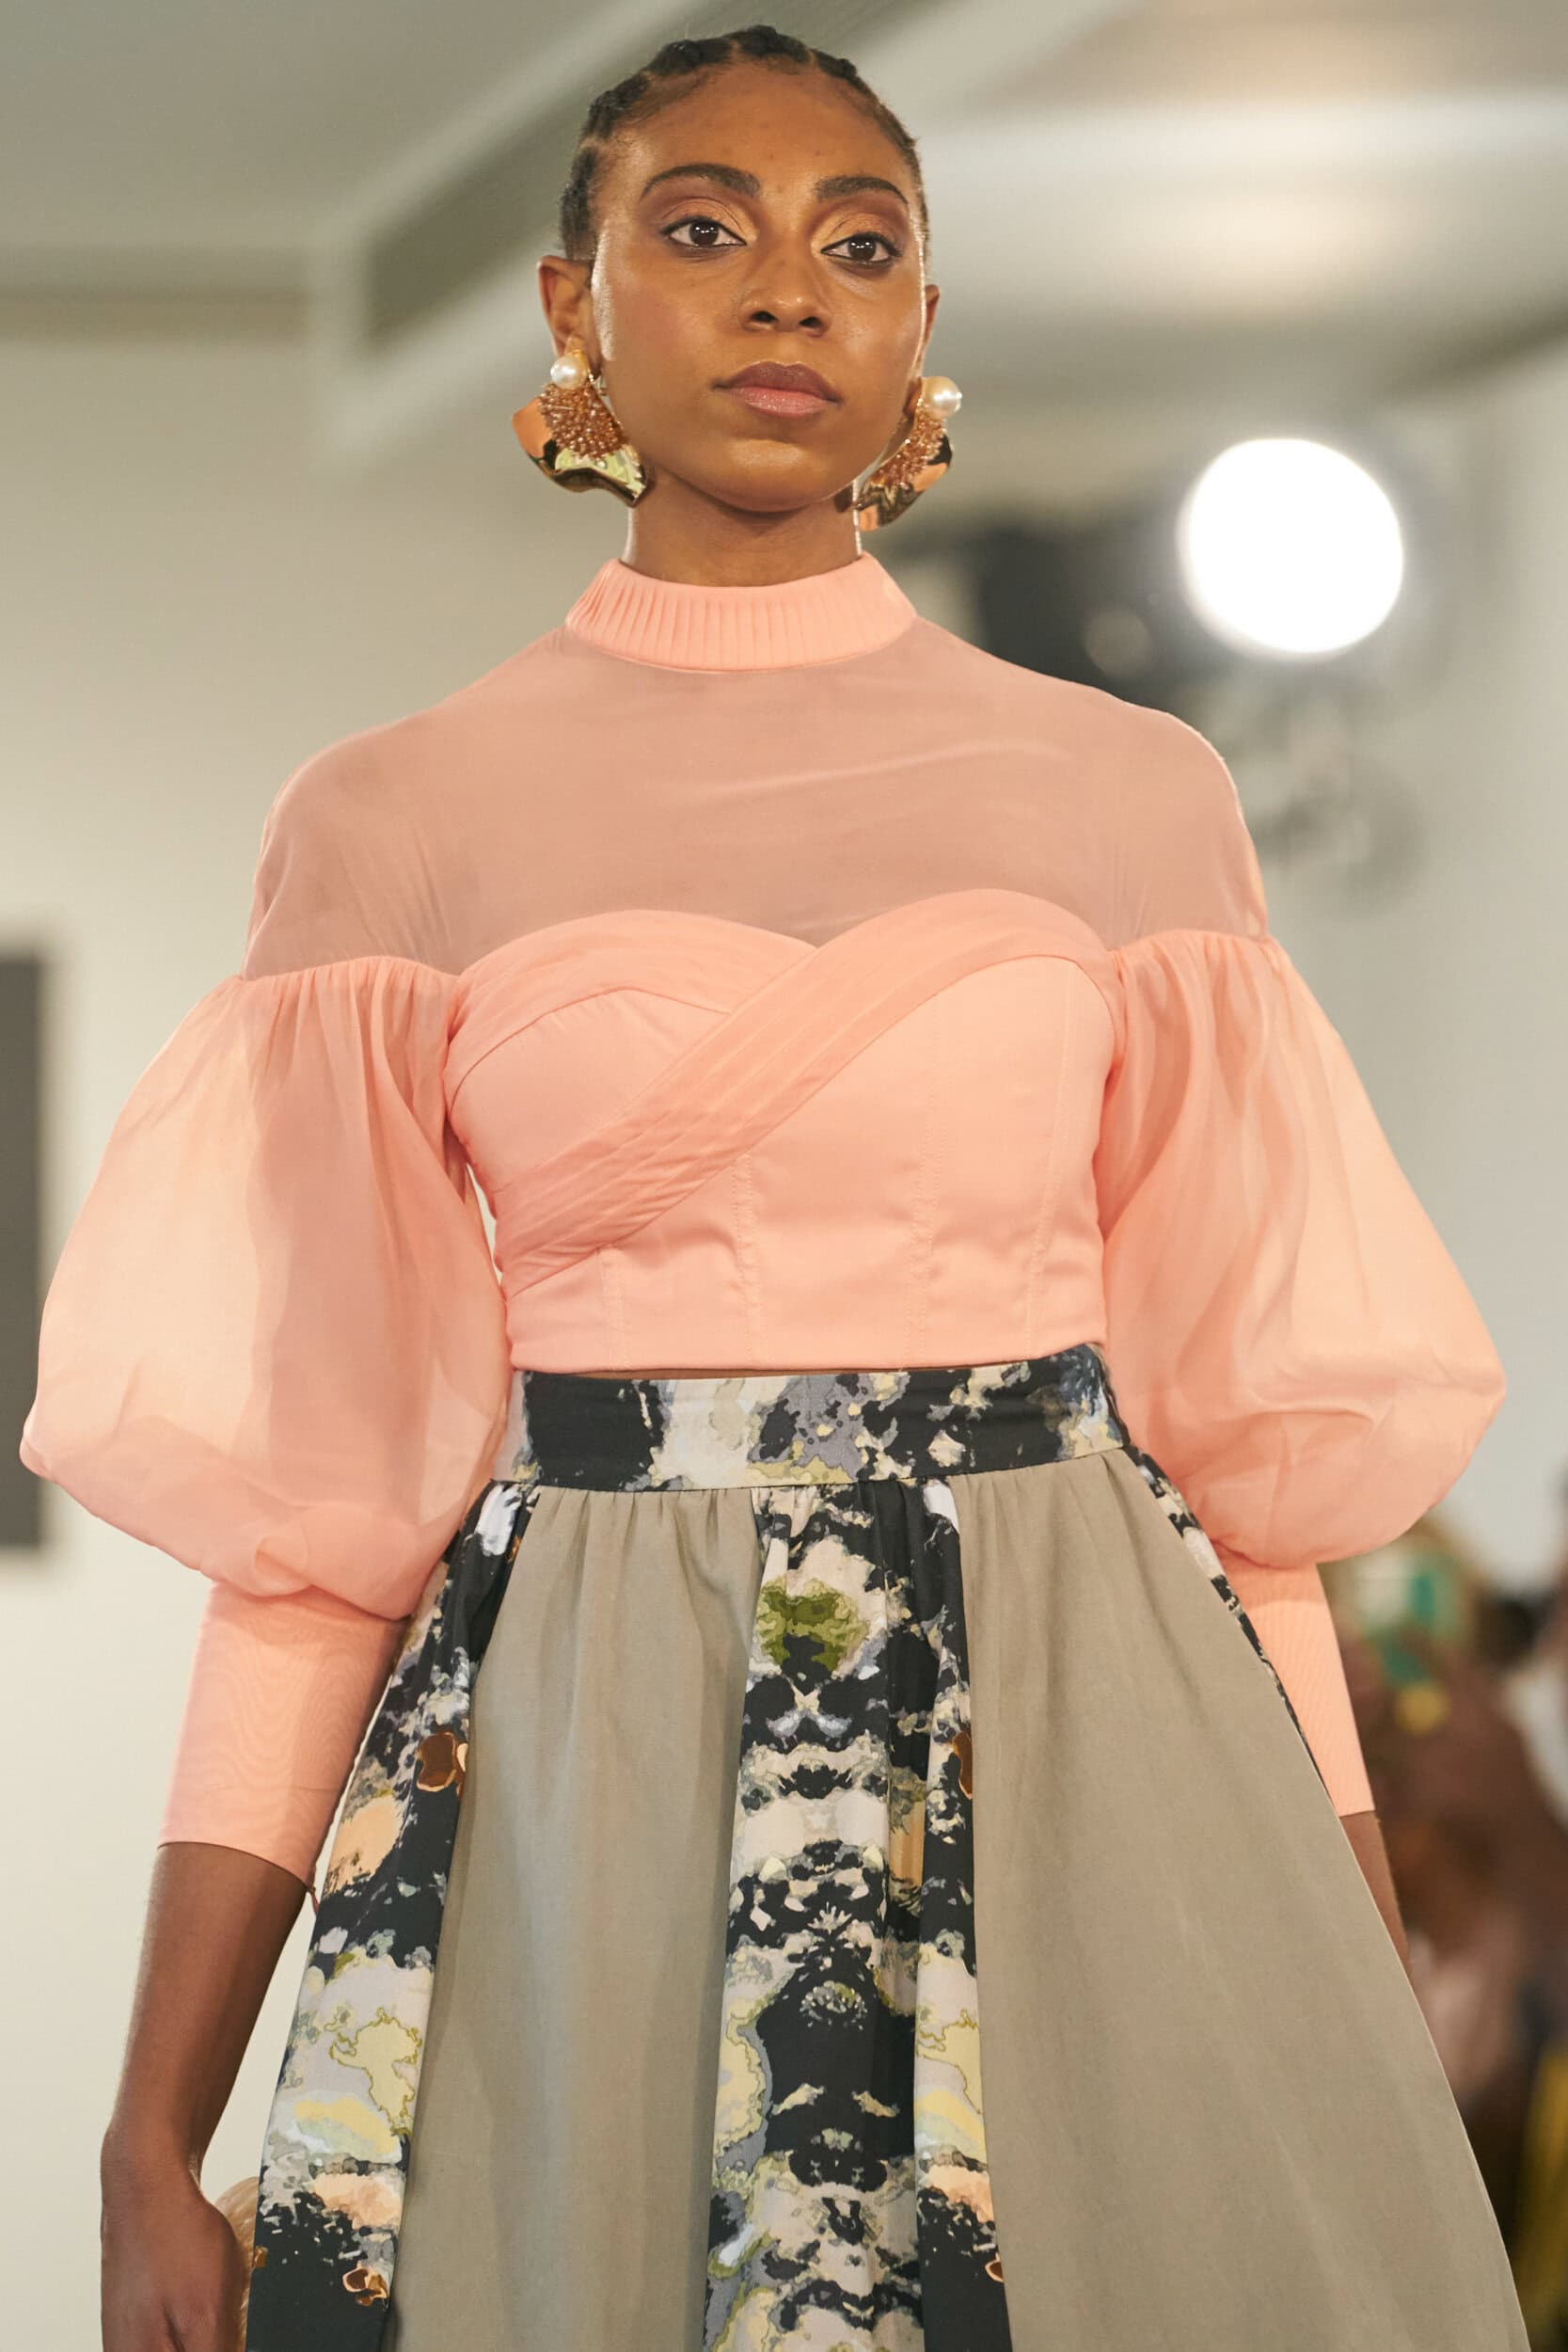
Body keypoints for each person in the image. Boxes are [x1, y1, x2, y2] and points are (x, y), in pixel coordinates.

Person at [20, 24, 1530, 2352]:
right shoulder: (395, 821)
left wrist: (1357, 2027)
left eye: (863, 243)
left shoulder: (1133, 798)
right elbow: (316, 1537)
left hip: (1090, 1735)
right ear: (574, 304)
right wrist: (151, 2128)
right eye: (704, 228)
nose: (789, 290)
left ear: (925, 324)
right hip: (586, 1770)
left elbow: (1255, 1500)